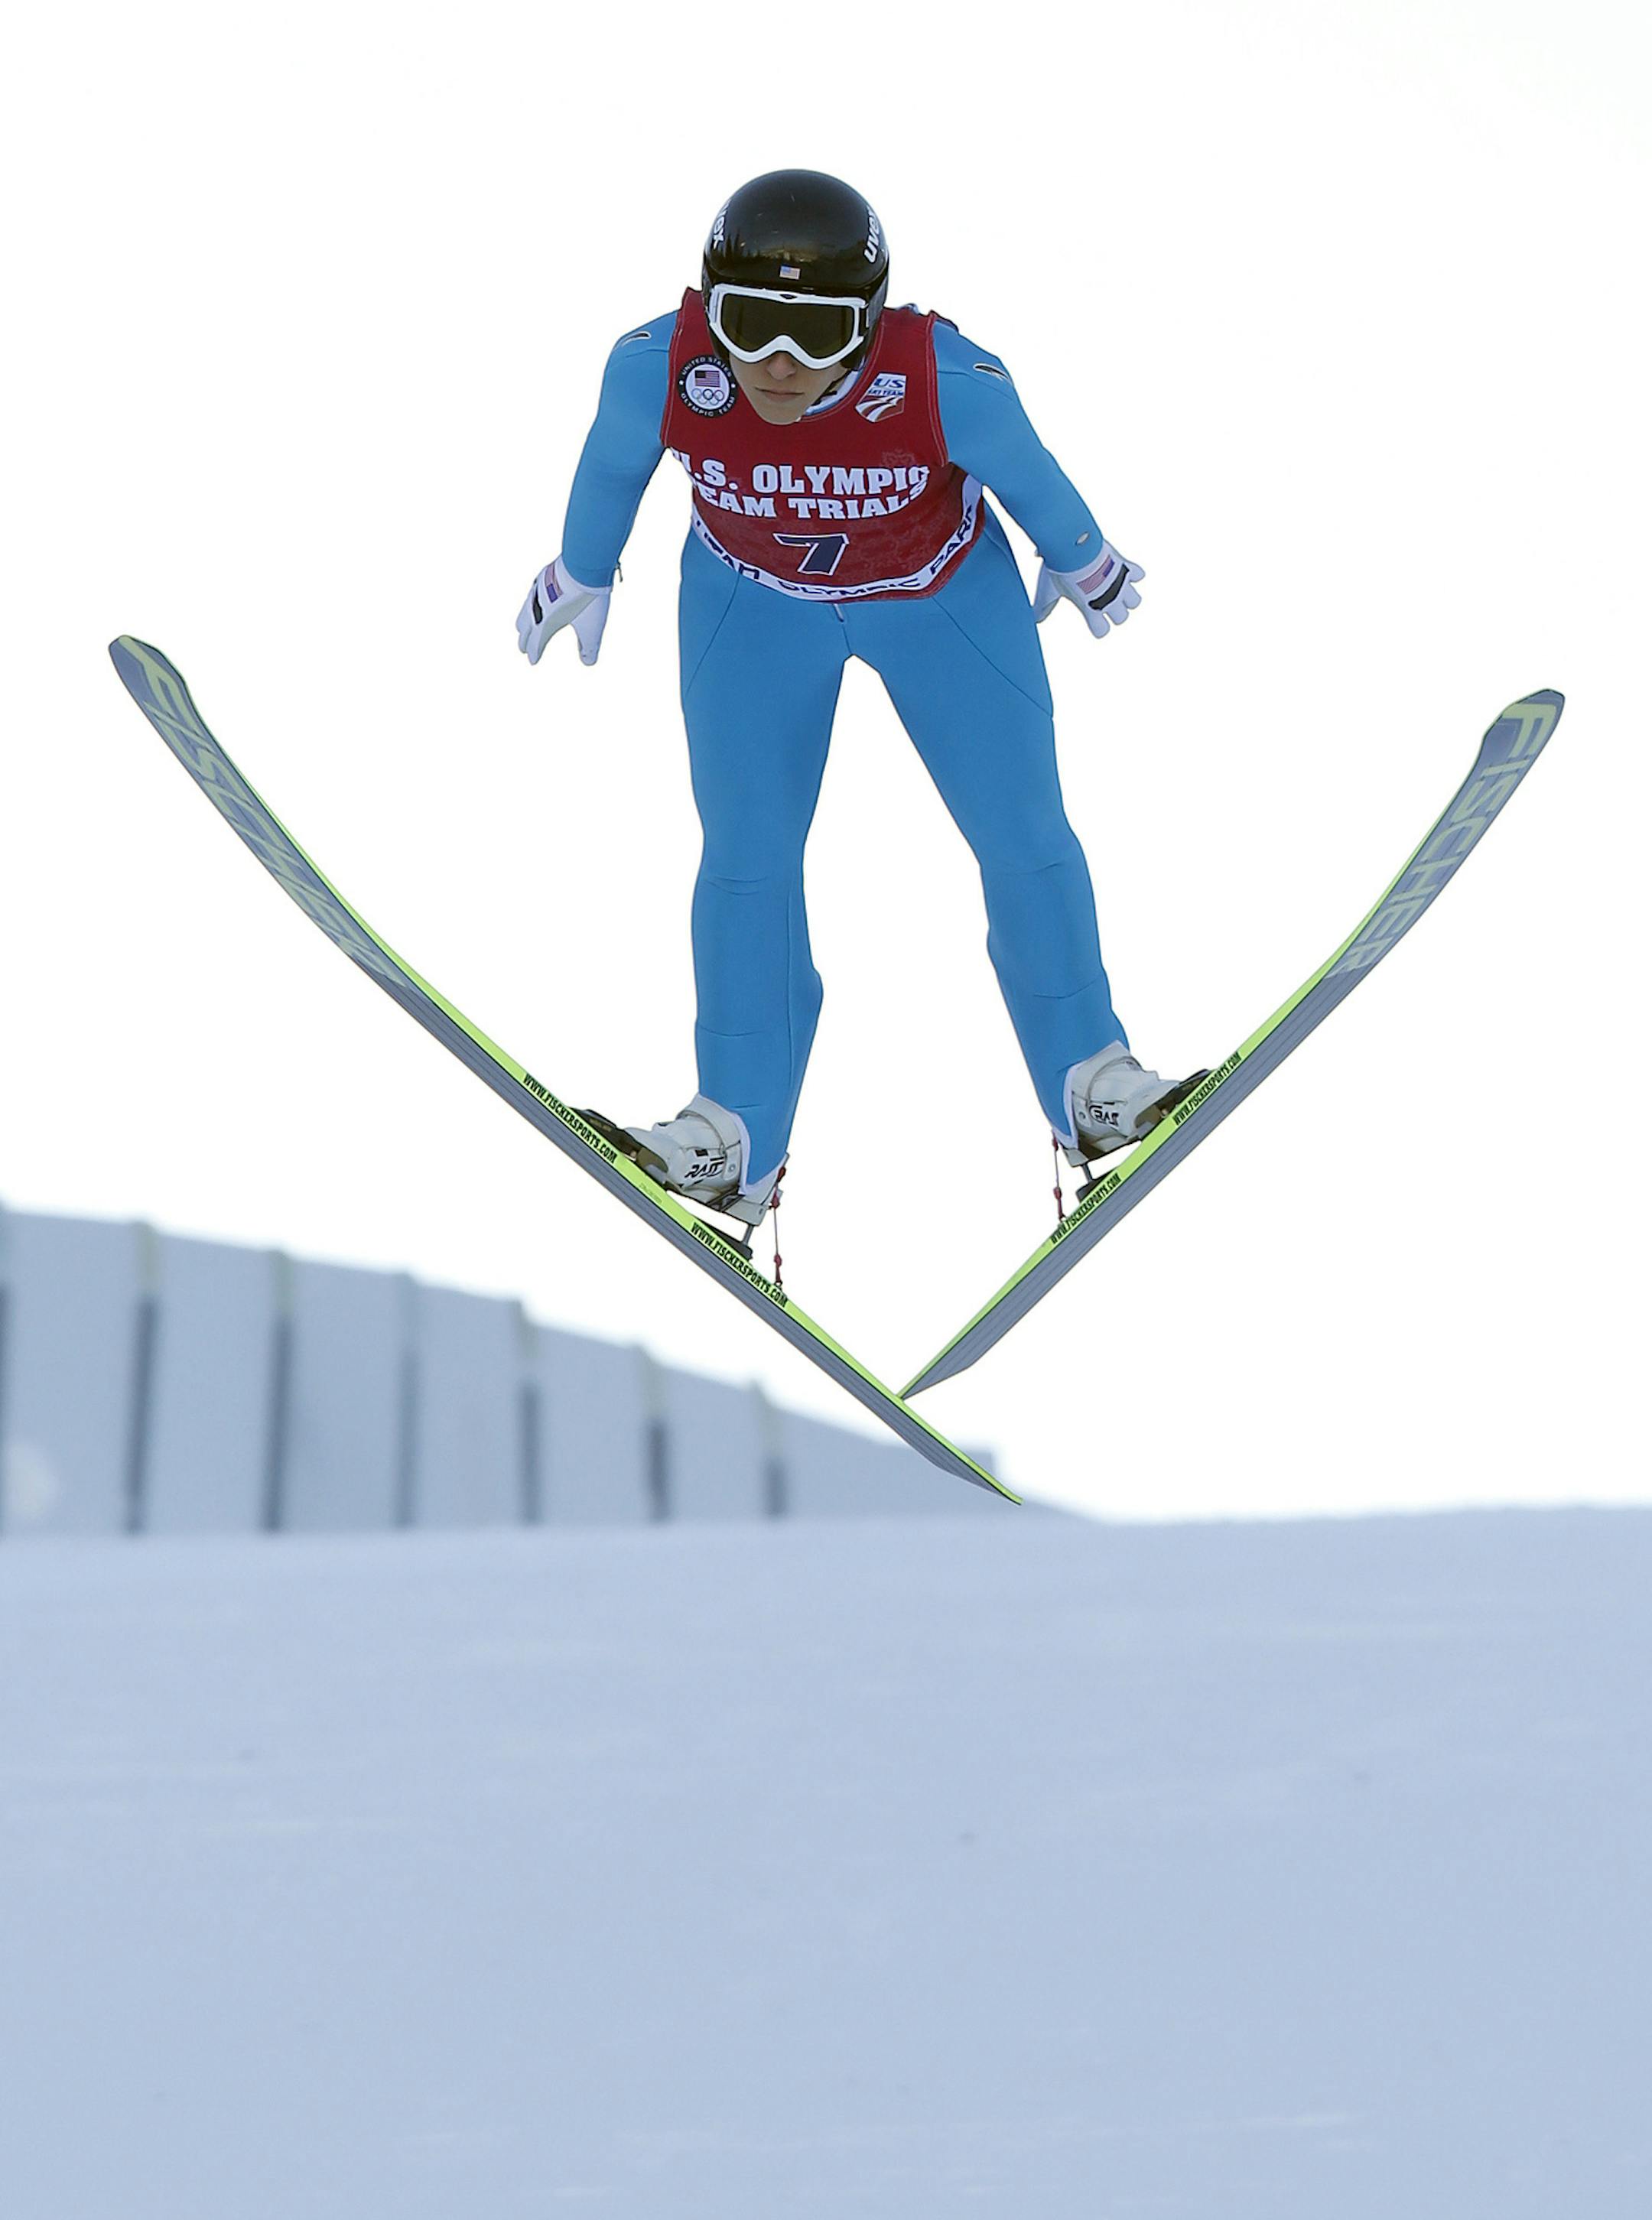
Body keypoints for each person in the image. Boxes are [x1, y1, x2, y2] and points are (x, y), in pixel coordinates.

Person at [518, 168, 1190, 1230]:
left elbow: (1026, 465)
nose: (779, 364)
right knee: (746, 856)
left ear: (869, 325)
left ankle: (1094, 1083)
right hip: (752, 604)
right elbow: (613, 462)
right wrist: (583, 568)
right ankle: (733, 1136)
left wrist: (1082, 553)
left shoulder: (945, 380)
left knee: (1021, 831)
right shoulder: (660, 366)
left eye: (820, 332)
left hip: (937, 599)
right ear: (709, 309)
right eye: (750, 325)